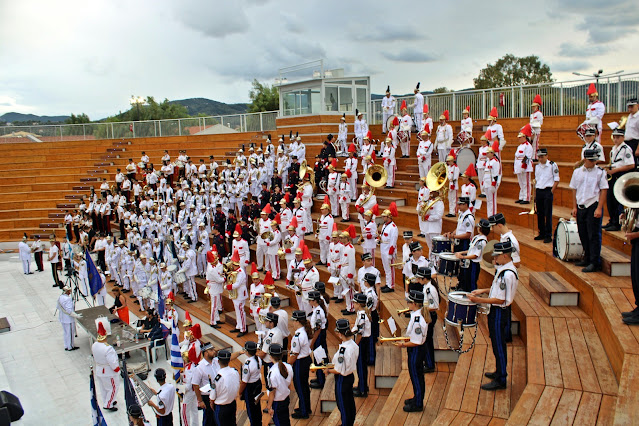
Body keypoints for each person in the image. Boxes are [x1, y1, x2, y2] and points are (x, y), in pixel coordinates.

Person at [469, 241, 518, 390]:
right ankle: (499, 371)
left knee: (499, 346)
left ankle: (501, 378)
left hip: (499, 312)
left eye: (497, 256)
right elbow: (497, 289)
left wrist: (479, 300)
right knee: (497, 345)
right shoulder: (505, 270)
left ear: (504, 255)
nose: (494, 259)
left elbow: (501, 299)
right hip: (496, 311)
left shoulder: (507, 274)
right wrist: (482, 290)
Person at [570, 148, 608, 273]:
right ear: (585, 159)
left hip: (593, 204)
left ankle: (594, 262)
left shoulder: (600, 172)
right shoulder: (577, 172)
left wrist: (599, 208)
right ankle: (587, 258)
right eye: (591, 160)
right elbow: (574, 189)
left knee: (594, 235)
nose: (593, 162)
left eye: (594, 160)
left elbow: (603, 190)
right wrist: (574, 207)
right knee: (583, 233)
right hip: (581, 205)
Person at [396, 290, 428, 412]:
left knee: (416, 376)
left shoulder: (417, 320)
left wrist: (403, 345)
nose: (408, 304)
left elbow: (417, 341)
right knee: (415, 376)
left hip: (416, 350)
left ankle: (418, 403)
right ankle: (416, 397)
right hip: (416, 349)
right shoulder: (417, 315)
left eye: (409, 302)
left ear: (414, 304)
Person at [328, 319, 359, 426]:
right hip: (350, 377)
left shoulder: (343, 350)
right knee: (349, 404)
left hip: (342, 379)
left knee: (343, 406)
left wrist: (327, 370)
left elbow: (339, 370)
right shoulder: (354, 345)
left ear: (339, 333)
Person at [604, 127, 635, 231]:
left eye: (618, 137)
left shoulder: (626, 149)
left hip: (620, 175)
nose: (615, 139)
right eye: (614, 137)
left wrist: (615, 170)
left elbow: (631, 165)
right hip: (613, 175)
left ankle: (617, 223)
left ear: (623, 137)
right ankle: (612, 220)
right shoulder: (613, 149)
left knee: (617, 201)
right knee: (610, 200)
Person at [288, 310, 312, 419]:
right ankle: (306, 406)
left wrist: (286, 365)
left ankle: (304, 412)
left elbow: (294, 354)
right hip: (305, 360)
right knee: (304, 386)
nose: (293, 323)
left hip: (300, 363)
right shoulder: (304, 332)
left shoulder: (297, 336)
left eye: (294, 321)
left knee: (300, 387)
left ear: (298, 322)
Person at [455, 219, 490, 292]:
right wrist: (462, 252)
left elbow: (475, 255)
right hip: (469, 263)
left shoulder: (482, 241)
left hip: (474, 264)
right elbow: (471, 250)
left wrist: (463, 257)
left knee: (472, 282)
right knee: (466, 280)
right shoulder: (477, 237)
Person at [92, 322, 120, 412]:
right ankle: (108, 404)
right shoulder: (108, 348)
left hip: (99, 369)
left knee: (104, 388)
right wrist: (117, 368)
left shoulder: (94, 345)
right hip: (108, 371)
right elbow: (112, 362)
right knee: (113, 388)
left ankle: (107, 401)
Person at [534, 148, 560, 243]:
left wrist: (551, 191)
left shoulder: (552, 165)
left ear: (547, 156)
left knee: (548, 214)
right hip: (539, 190)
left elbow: (556, 180)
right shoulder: (537, 167)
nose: (540, 159)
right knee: (540, 213)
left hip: (547, 190)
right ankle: (541, 232)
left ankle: (548, 234)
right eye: (539, 157)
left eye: (542, 157)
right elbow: (537, 179)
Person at [192, 342, 219, 426]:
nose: (214, 351)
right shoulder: (199, 367)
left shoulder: (216, 361)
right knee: (209, 420)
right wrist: (200, 401)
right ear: (206, 353)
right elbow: (195, 385)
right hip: (207, 397)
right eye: (211, 350)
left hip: (217, 395)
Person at [210, 350, 240, 426]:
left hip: (221, 407)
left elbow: (213, 396)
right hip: (232, 404)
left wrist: (211, 403)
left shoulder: (218, 377)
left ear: (218, 361)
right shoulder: (235, 371)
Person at [266, 343, 293, 426]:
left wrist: (269, 407)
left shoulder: (272, 372)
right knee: (285, 422)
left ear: (271, 357)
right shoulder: (288, 366)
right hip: (285, 399)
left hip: (277, 403)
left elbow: (272, 392)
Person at [417, 269, 439, 372]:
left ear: (425, 279)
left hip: (430, 316)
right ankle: (427, 361)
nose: (417, 279)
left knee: (428, 341)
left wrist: (421, 309)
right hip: (426, 315)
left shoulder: (430, 289)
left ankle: (430, 364)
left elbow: (434, 307)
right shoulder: (426, 287)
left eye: (419, 278)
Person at [351, 294, 371, 397]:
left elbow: (360, 334)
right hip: (362, 341)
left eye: (354, 303)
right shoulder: (361, 314)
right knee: (361, 366)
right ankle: (361, 385)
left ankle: (362, 389)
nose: (353, 305)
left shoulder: (362, 316)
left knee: (361, 366)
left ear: (358, 304)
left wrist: (354, 346)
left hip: (362, 342)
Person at [239, 341, 263, 426]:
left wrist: (240, 392)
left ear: (247, 351)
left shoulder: (248, 364)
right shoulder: (258, 359)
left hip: (250, 388)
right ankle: (259, 423)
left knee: (251, 409)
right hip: (257, 384)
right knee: (257, 406)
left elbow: (244, 381)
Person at [308, 291, 328, 389]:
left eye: (310, 300)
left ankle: (321, 380)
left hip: (318, 335)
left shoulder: (318, 311)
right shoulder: (316, 309)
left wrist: (312, 341)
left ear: (314, 301)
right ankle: (319, 377)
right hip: (318, 334)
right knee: (317, 357)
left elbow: (318, 328)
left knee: (318, 357)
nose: (309, 302)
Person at [379, 207, 398, 292]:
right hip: (383, 248)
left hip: (388, 250)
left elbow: (393, 242)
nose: (383, 218)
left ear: (389, 217)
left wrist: (390, 253)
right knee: (386, 268)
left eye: (384, 216)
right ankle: (387, 283)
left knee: (390, 269)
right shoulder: (384, 225)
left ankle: (391, 286)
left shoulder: (393, 227)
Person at [514, 124, 534, 204]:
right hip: (518, 165)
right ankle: (521, 196)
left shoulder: (528, 146)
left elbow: (528, 156)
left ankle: (527, 198)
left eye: (520, 137)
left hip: (525, 166)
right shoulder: (520, 146)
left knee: (526, 183)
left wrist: (524, 165)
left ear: (524, 137)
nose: (519, 139)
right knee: (521, 182)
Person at [57, 286, 81, 351]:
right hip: (68, 319)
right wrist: (76, 315)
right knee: (70, 333)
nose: (70, 292)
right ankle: (70, 346)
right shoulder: (68, 299)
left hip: (62, 317)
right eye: (69, 291)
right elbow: (69, 310)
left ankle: (66, 345)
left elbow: (58, 307)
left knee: (65, 332)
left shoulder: (60, 297)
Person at [483, 145, 501, 217]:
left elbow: (496, 173)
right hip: (486, 182)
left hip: (491, 182)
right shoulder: (487, 161)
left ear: (492, 153)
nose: (487, 154)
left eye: (488, 153)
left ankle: (493, 215)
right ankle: (489, 215)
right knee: (488, 200)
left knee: (492, 200)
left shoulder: (495, 162)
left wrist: (494, 183)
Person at [530, 94, 544, 159]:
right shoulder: (532, 115)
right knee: (532, 144)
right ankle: (532, 156)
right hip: (532, 131)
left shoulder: (539, 114)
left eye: (534, 106)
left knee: (535, 144)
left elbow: (540, 122)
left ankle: (535, 157)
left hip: (537, 130)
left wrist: (533, 124)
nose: (533, 108)